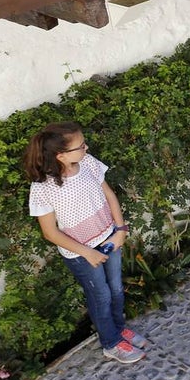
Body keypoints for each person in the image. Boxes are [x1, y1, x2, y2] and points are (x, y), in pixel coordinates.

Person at [24, 122, 149, 364]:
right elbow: (50, 232)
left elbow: (109, 194)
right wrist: (88, 253)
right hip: (81, 254)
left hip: (109, 238)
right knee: (101, 296)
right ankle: (110, 343)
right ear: (60, 155)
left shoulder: (88, 163)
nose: (86, 148)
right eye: (80, 146)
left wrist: (120, 229)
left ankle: (118, 329)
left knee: (115, 289)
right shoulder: (43, 188)